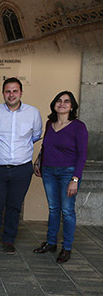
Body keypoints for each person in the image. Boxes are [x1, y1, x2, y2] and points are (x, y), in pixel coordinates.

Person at [0, 77, 42, 253]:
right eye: (8, 91)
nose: (11, 94)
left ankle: (9, 239)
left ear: (21, 93)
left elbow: (35, 136)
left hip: (21, 169)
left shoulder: (33, 113)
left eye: (15, 91)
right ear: (3, 93)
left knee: (14, 205)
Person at [33, 90, 88, 264]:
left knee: (67, 210)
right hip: (49, 171)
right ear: (54, 104)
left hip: (68, 173)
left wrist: (75, 179)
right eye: (59, 100)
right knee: (53, 209)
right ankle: (51, 242)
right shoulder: (50, 124)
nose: (62, 103)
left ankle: (67, 247)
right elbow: (45, 146)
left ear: (72, 106)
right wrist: (38, 161)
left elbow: (82, 154)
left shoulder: (78, 126)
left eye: (66, 101)